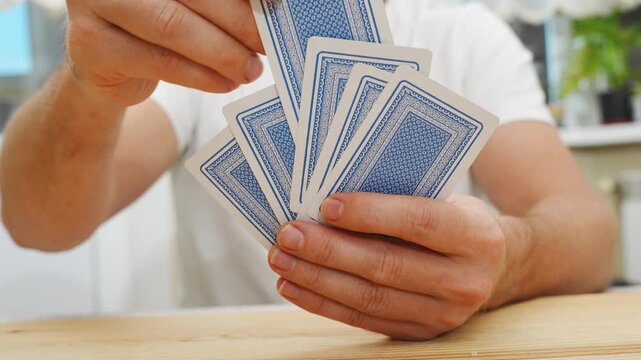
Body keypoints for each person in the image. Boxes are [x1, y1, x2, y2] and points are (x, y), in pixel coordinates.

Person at [0, 0, 617, 341]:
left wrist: (506, 262)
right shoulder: (194, 37)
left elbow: (587, 231)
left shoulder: (462, 30)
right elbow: (41, 224)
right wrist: (88, 84)